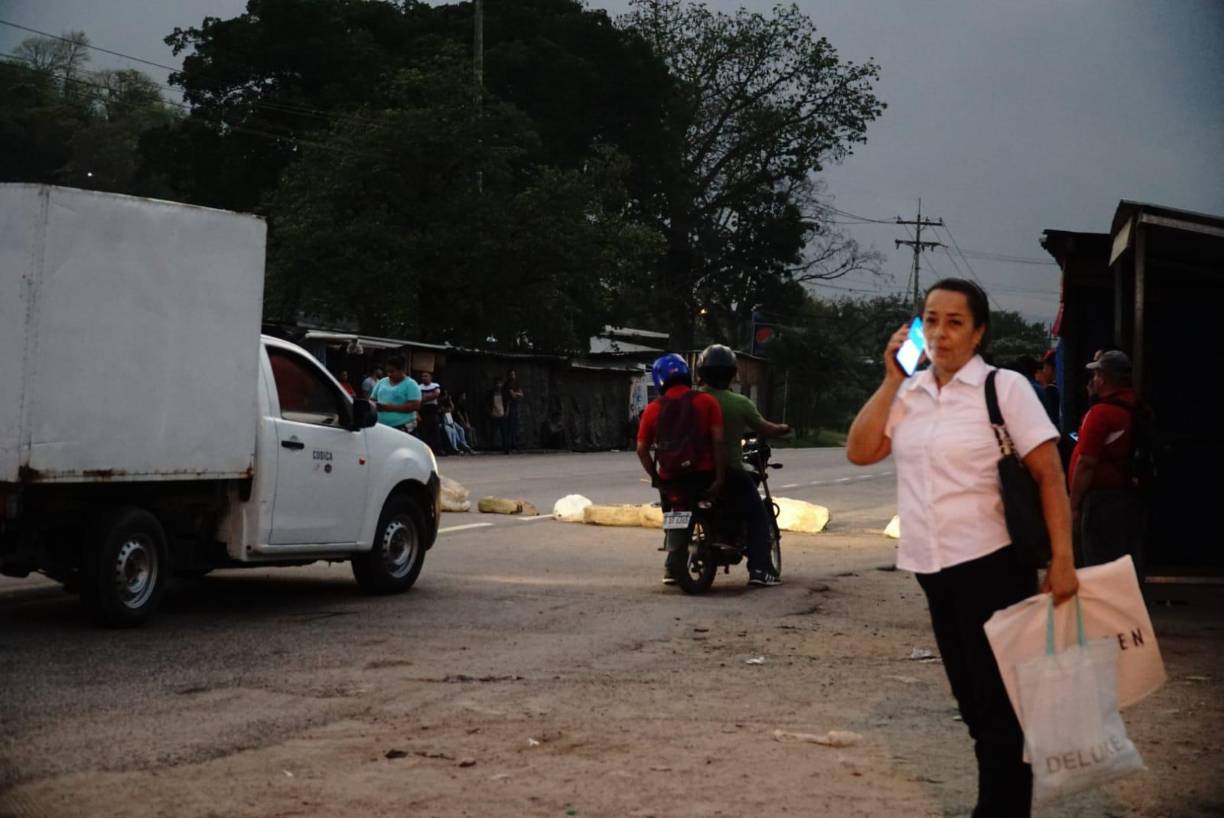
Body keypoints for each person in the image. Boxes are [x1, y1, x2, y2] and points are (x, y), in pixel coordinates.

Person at [846, 278, 1077, 817]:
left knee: (1000, 712)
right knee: (975, 708)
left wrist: (1063, 561)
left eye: (954, 322)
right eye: (930, 320)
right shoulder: (909, 393)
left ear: (978, 333)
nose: (940, 333)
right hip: (934, 570)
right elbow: (860, 451)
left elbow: (1049, 477)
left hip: (994, 567)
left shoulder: (1006, 388)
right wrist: (890, 379)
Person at [696, 344, 790, 587]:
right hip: (728, 471)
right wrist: (784, 429)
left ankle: (672, 567)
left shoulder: (692, 399)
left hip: (693, 472)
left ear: (701, 372)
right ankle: (760, 569)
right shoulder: (740, 403)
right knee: (758, 515)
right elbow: (766, 428)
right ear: (732, 373)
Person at [635, 353, 726, 585]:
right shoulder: (706, 401)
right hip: (702, 474)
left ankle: (671, 565)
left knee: (673, 514)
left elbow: (641, 449)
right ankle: (716, 546)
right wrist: (719, 475)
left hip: (670, 478)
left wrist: (656, 477)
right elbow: (718, 441)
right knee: (718, 512)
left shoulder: (653, 409)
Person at [1068, 350, 1142, 567]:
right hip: (1131, 497)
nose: (1093, 380)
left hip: (1101, 502)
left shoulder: (1101, 414)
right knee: (1127, 565)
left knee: (1098, 566)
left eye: (1096, 375)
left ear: (1104, 378)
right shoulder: (1137, 406)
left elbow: (1086, 463)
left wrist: (1073, 504)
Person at [370, 357, 421, 433]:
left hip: (402, 427)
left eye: (392, 371)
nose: (389, 374)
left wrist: (387, 408)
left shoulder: (411, 384)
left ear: (402, 370)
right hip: (380, 426)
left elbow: (414, 406)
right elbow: (372, 399)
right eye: (387, 371)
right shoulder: (382, 382)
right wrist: (374, 405)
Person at [416, 371, 445, 455]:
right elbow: (418, 398)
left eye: (426, 376)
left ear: (430, 377)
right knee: (425, 431)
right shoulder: (419, 387)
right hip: (423, 410)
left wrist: (424, 398)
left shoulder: (435, 385)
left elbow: (436, 394)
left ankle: (438, 450)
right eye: (423, 376)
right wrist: (428, 397)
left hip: (433, 410)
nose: (424, 378)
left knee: (435, 430)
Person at [1035, 350, 1060, 426]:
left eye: (1045, 367)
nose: (1043, 370)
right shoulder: (1058, 387)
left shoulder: (1051, 390)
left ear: (1052, 367)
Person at [503, 370, 525, 452]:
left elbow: (521, 394)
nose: (513, 376)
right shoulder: (507, 384)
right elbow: (512, 395)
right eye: (511, 374)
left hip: (515, 406)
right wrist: (517, 393)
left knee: (516, 426)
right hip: (509, 406)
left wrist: (517, 393)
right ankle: (508, 446)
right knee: (510, 426)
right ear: (508, 375)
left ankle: (515, 444)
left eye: (514, 374)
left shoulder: (516, 383)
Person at [488, 378, 510, 453]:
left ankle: (505, 449)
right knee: (493, 432)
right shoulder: (491, 393)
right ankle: (491, 447)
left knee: (504, 432)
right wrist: (490, 412)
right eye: (497, 383)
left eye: (500, 383)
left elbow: (507, 403)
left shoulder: (504, 393)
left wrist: (507, 411)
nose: (498, 385)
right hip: (494, 414)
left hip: (502, 414)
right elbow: (487, 404)